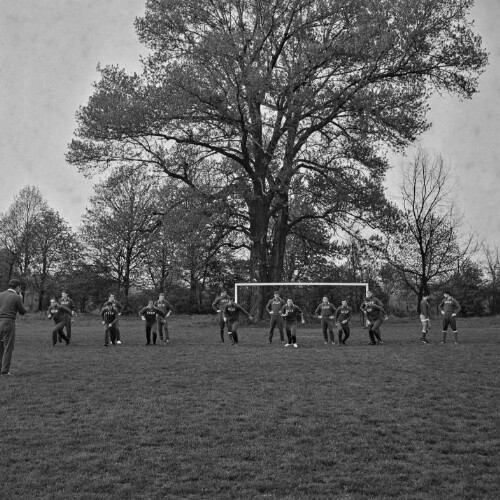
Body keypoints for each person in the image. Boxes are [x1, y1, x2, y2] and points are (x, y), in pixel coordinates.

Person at [0, 279, 27, 376]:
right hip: (8, 322)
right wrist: (21, 298)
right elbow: (22, 312)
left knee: (0, 347)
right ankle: (5, 371)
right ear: (17, 287)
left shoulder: (1, 294)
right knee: (8, 347)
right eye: (20, 287)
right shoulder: (16, 296)